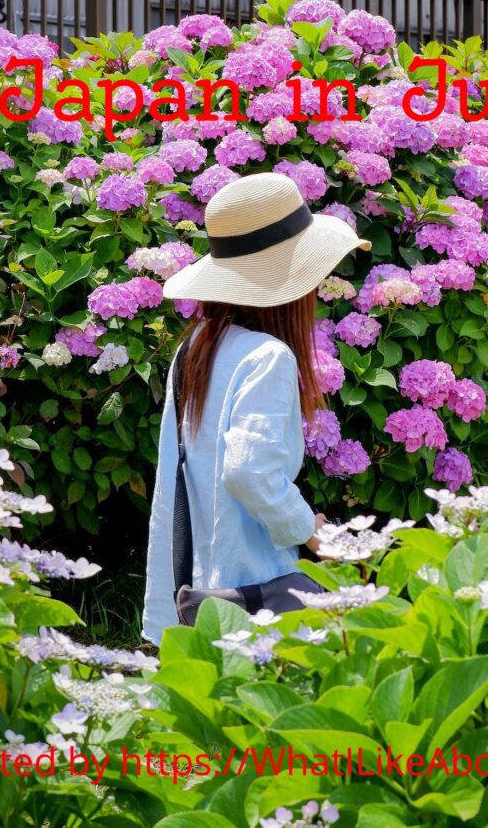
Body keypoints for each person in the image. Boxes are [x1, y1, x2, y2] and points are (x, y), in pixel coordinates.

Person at [141, 172, 370, 644]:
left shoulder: (198, 346)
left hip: (199, 581)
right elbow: (248, 472)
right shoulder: (268, 357)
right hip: (254, 586)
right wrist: (309, 531)